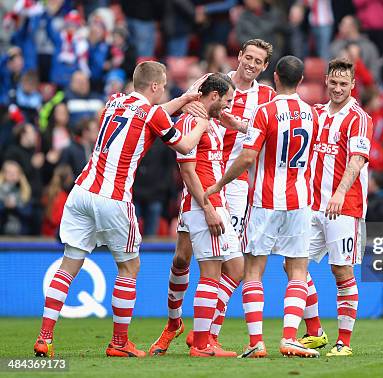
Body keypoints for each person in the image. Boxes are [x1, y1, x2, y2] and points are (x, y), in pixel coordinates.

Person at [33, 60, 210, 359]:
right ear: (155, 86)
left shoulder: (115, 101)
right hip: (114, 198)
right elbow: (184, 144)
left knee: (68, 265)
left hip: (81, 191)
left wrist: (183, 100)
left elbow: (146, 116)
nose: (165, 88)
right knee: (129, 268)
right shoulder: (152, 113)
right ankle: (118, 343)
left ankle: (44, 338)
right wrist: (204, 119)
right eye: (164, 84)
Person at [153, 39, 276, 353]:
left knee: (224, 264)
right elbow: (186, 106)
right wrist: (190, 106)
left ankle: (207, 334)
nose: (251, 64)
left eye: (258, 61)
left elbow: (268, 132)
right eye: (247, 57)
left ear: (264, 67)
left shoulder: (266, 96)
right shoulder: (211, 84)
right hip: (200, 173)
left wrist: (238, 124)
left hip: (232, 184)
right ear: (239, 57)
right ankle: (174, 323)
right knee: (182, 256)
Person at [205, 55, 320, 358]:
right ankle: (290, 337)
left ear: (277, 78)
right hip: (300, 199)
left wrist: (219, 184)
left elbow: (246, 158)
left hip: (264, 200)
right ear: (300, 80)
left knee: (254, 270)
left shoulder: (265, 111)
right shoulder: (313, 114)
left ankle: (256, 341)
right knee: (298, 271)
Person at [151, 73, 242, 358]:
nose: (228, 106)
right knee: (211, 272)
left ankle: (201, 334)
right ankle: (201, 342)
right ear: (213, 96)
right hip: (205, 204)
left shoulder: (209, 120)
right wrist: (207, 207)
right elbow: (188, 171)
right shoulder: (192, 122)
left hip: (211, 202)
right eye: (226, 101)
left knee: (234, 267)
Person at [297, 58, 373, 357]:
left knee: (341, 271)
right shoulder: (315, 114)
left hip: (345, 206)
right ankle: (315, 331)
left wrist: (339, 192)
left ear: (353, 85)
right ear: (326, 81)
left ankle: (344, 341)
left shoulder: (359, 118)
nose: (338, 88)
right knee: (295, 265)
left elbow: (356, 159)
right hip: (312, 205)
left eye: (344, 83)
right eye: (334, 82)